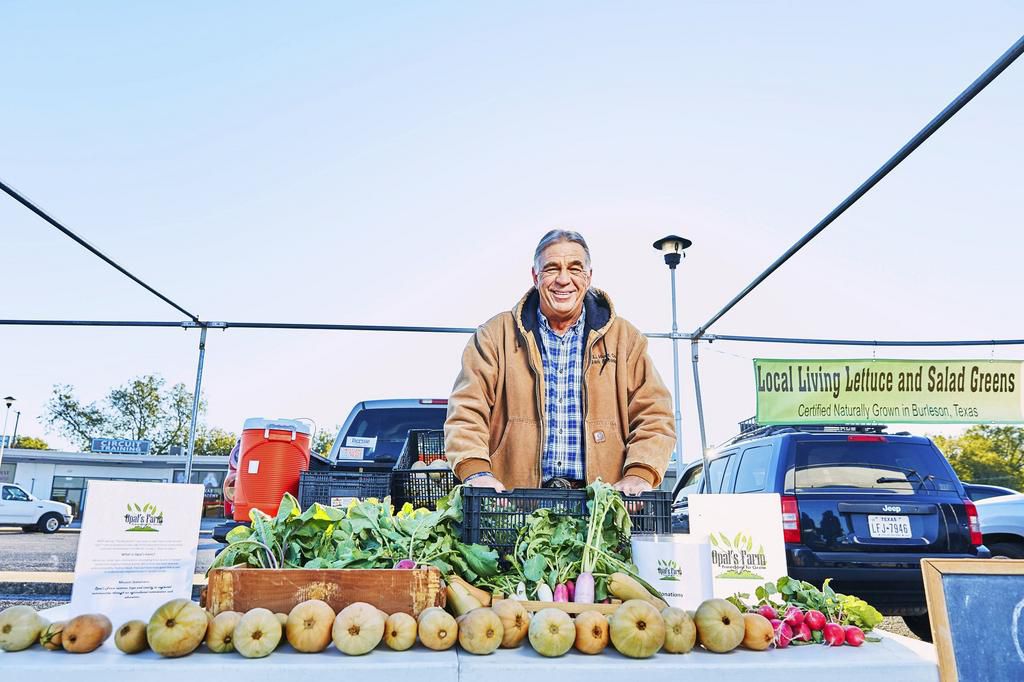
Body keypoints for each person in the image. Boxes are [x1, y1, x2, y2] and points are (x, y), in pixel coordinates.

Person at [445, 229, 676, 494]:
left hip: (600, 508)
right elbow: (466, 410)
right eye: (552, 269)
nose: (563, 279)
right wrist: (477, 472)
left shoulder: (626, 340)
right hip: (513, 505)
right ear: (535, 276)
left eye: (575, 269)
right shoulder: (494, 336)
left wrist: (640, 473)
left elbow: (655, 414)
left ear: (588, 277)